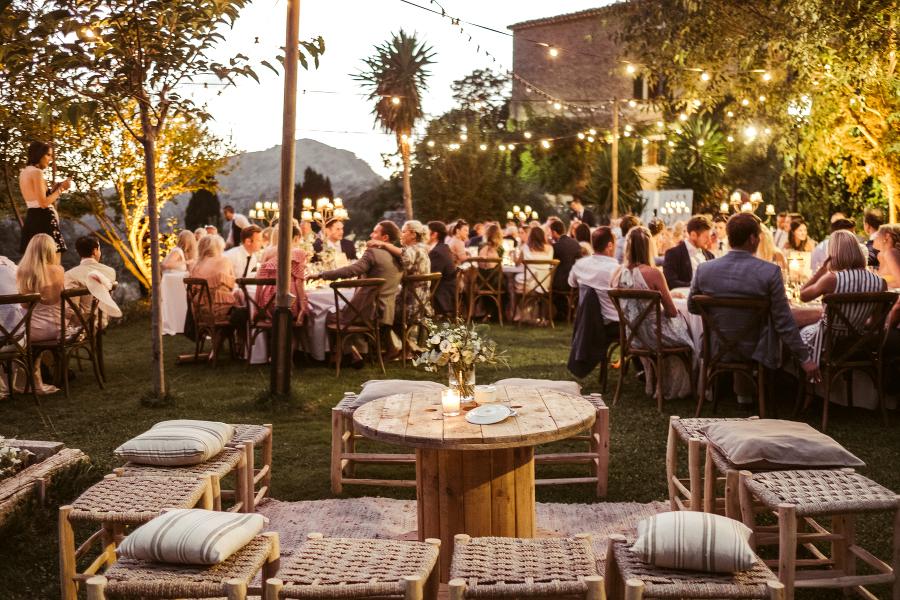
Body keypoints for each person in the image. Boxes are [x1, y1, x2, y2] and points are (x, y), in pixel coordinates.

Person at [688, 213, 821, 405]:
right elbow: (783, 321)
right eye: (758, 236)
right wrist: (805, 359)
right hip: (757, 350)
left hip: (716, 348)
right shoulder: (769, 272)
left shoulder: (704, 269)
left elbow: (693, 307)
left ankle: (742, 394)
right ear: (752, 238)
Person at [612, 226, 694, 400]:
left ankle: (656, 380)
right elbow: (671, 312)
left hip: (632, 336)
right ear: (649, 247)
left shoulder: (617, 273)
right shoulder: (654, 273)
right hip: (654, 336)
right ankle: (687, 384)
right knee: (689, 331)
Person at [798, 230, 886, 364]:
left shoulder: (831, 279)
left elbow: (803, 296)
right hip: (858, 343)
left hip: (828, 344)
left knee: (798, 334)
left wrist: (821, 271)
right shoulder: (880, 283)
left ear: (833, 254)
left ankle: (805, 374)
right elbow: (874, 322)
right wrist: (855, 323)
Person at [316, 220, 404, 332]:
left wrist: (321, 275)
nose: (371, 235)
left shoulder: (373, 252)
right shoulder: (400, 258)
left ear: (385, 237)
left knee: (328, 315)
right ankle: (366, 341)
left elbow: (351, 271)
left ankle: (348, 343)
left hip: (367, 314)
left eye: (375, 232)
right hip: (388, 315)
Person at [19, 141, 71, 254]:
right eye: (48, 155)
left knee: (34, 259)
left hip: (32, 218)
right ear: (39, 154)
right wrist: (61, 189)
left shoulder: (24, 172)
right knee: (50, 260)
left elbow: (35, 199)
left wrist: (52, 190)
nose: (50, 159)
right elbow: (43, 203)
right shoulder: (37, 173)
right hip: (43, 221)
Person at [568, 226, 620, 332]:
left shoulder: (580, 265)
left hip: (586, 322)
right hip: (612, 324)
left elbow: (572, 283)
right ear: (610, 245)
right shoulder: (617, 270)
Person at [17, 234, 67, 343]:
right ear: (51, 250)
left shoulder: (24, 272)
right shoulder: (60, 270)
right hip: (60, 329)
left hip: (35, 332)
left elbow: (25, 305)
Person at [255, 225, 308, 324]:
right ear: (296, 238)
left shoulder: (267, 252)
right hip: (288, 302)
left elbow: (259, 281)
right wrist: (303, 307)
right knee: (309, 312)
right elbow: (299, 283)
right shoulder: (298, 252)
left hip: (267, 304)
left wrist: (256, 307)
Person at [190, 235, 237, 321]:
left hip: (199, 311)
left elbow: (193, 292)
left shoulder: (196, 265)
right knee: (244, 309)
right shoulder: (223, 261)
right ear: (218, 248)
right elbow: (232, 286)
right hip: (219, 309)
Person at [663, 214, 715, 289]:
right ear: (693, 235)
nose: (710, 240)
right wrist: (695, 287)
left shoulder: (710, 256)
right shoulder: (673, 254)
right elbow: (670, 282)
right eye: (706, 237)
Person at [548, 220, 581, 317]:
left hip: (561, 283)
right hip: (575, 282)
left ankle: (559, 313)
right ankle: (566, 312)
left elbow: (550, 264)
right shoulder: (575, 243)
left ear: (554, 232)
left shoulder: (556, 247)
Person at [427, 221, 457, 316]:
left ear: (434, 235)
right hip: (447, 291)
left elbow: (430, 277)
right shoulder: (443, 248)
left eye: (426, 232)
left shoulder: (436, 252)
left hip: (441, 296)